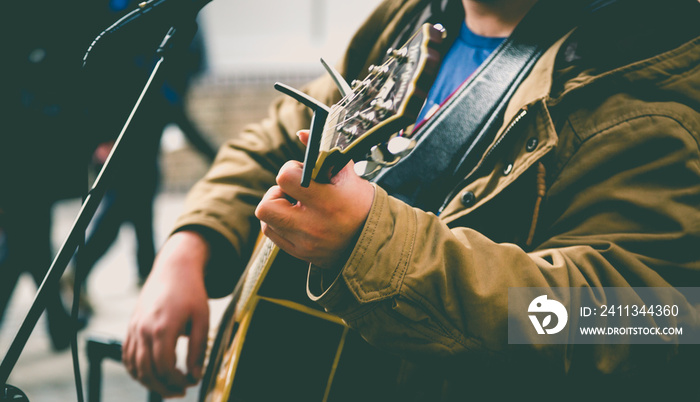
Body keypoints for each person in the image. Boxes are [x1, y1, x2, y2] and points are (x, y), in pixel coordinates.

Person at [123, 0, 700, 399]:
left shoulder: (643, 78)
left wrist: (370, 243)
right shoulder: (419, 20)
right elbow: (278, 136)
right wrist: (189, 246)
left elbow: (641, 319)